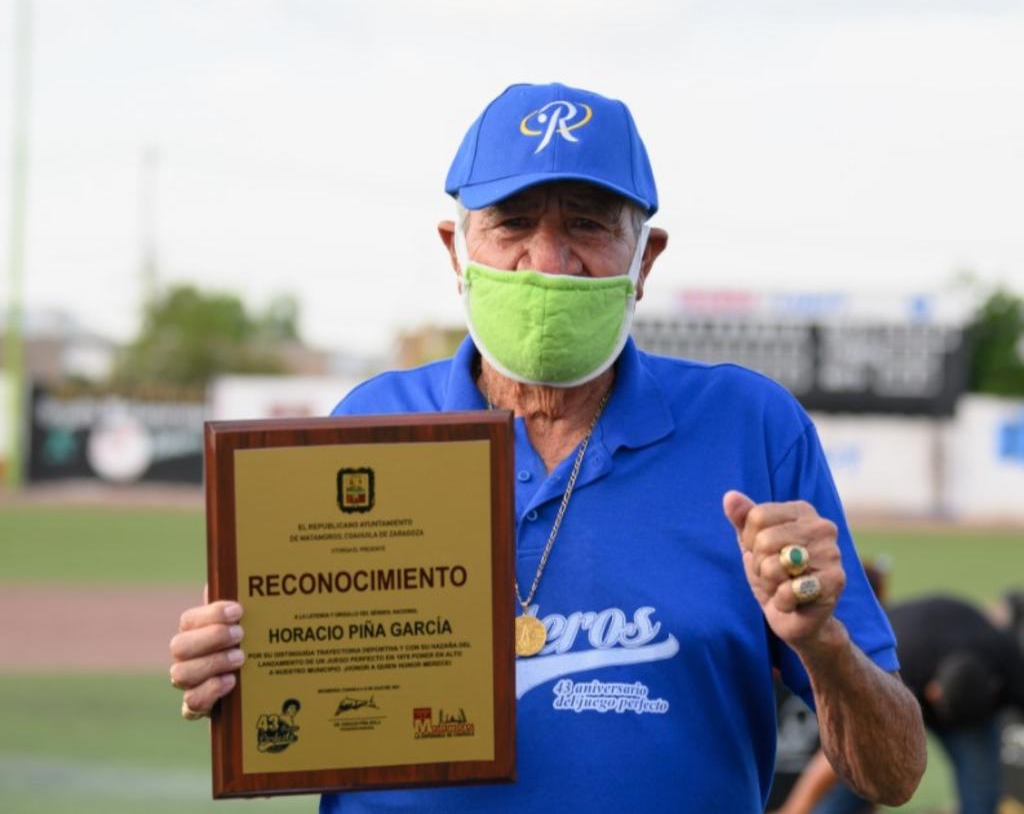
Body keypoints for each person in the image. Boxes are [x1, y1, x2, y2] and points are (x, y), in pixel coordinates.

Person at [169, 82, 926, 812]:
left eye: (588, 225)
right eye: (512, 223)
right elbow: (302, 707)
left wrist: (824, 644)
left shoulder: (750, 427)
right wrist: (237, 667)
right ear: (456, 250)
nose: (549, 261)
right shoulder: (370, 423)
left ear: (645, 259)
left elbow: (893, 774)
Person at [776, 595, 1024, 814]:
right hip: (900, 677)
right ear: (933, 692)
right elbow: (840, 751)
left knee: (982, 794)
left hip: (971, 705)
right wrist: (796, 809)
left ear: (995, 688)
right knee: (854, 779)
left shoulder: (1012, 667)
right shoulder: (888, 667)